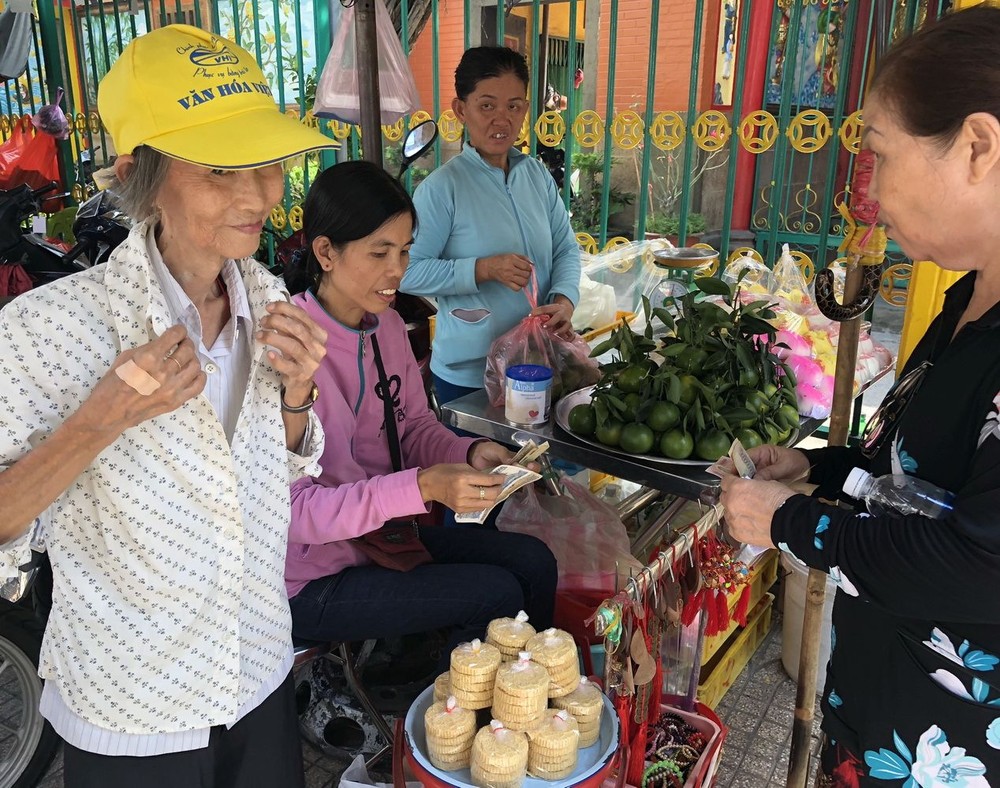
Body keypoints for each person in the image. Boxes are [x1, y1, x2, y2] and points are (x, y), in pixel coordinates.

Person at [0, 25, 335, 787]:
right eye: (220, 169)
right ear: (137, 174)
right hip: (132, 706)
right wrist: (98, 422)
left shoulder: (270, 303)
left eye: (267, 164)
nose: (260, 195)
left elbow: (276, 479)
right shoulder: (46, 331)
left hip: (257, 671)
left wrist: (297, 396)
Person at [719, 7, 1000, 785]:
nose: (867, 189)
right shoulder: (970, 296)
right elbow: (913, 481)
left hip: (953, 755)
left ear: (977, 147)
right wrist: (818, 468)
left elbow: (982, 565)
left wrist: (789, 522)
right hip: (880, 716)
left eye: (878, 151)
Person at [282, 160, 557, 658]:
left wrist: (469, 452)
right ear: (325, 252)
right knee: (495, 595)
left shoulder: (387, 327)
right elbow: (295, 511)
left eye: (405, 251)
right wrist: (423, 486)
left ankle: (533, 691)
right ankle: (451, 703)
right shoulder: (289, 350)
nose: (397, 270)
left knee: (533, 561)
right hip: (313, 575)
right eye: (379, 252)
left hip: (384, 538)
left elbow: (412, 429)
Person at [401, 46, 581, 405]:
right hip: (469, 375)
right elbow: (406, 272)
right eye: (487, 106)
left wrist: (564, 300)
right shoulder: (442, 188)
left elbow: (566, 248)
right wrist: (481, 269)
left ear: (525, 110)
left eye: (513, 106)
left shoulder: (537, 176)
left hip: (539, 362)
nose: (502, 120)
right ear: (461, 110)